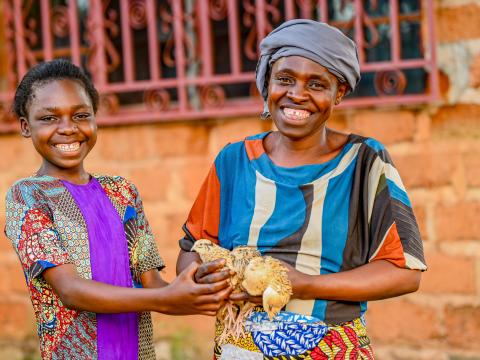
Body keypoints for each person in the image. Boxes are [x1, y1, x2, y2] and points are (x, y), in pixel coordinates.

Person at [176, 19, 426, 359]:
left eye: (317, 84)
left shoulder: (365, 162)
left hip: (332, 351)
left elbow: (403, 272)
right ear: (267, 83)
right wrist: (205, 277)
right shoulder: (233, 161)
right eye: (284, 79)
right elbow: (193, 248)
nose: (297, 94)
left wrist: (303, 284)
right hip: (238, 350)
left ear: (339, 93)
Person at [4, 59, 232, 360]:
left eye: (81, 115)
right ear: (25, 126)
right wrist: (167, 298)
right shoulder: (28, 195)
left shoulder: (122, 193)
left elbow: (153, 285)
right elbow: (70, 290)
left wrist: (199, 287)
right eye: (48, 118)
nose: (68, 128)